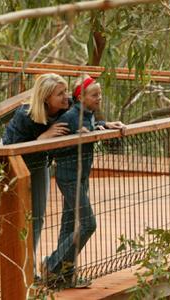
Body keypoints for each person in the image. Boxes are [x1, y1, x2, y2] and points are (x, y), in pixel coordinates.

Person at [42, 74, 125, 288]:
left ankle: (63, 277)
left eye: (100, 94)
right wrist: (75, 139)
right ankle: (51, 264)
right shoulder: (70, 116)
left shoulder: (87, 114)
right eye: (94, 94)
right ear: (80, 97)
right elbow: (54, 148)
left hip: (82, 175)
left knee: (68, 226)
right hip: (68, 176)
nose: (99, 98)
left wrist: (104, 125)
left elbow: (91, 124)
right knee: (89, 224)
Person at [1, 73, 71, 261]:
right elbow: (14, 149)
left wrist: (104, 125)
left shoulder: (67, 108)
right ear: (46, 99)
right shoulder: (26, 115)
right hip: (13, 164)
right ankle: (15, 263)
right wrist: (42, 138)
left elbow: (85, 118)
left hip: (40, 163)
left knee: (37, 216)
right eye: (60, 93)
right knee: (17, 216)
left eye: (66, 91)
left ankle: (29, 265)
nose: (66, 96)